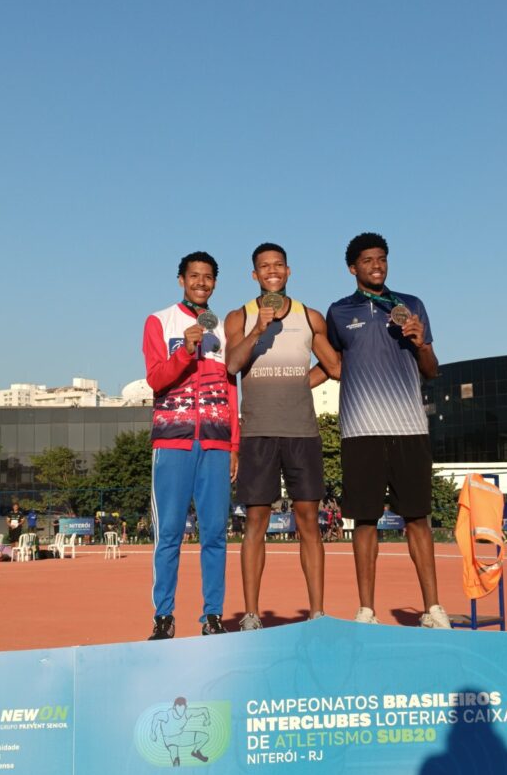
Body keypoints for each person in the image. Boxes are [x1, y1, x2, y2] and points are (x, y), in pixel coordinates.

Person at [324, 232, 451, 629]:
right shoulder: (339, 312)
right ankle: (366, 611)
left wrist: (420, 343)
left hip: (409, 427)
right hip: (360, 430)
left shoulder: (411, 306)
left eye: (382, 259)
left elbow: (430, 371)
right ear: (352, 268)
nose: (376, 265)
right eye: (367, 260)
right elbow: (333, 364)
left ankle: (433, 608)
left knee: (418, 519)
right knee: (364, 521)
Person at [224, 242, 341, 629]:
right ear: (254, 275)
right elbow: (232, 363)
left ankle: (318, 611)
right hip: (257, 433)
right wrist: (259, 328)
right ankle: (252, 614)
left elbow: (335, 367)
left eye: (278, 265)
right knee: (255, 521)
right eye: (263, 266)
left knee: (308, 519)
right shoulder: (239, 316)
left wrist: (298, 383)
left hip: (301, 434)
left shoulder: (310, 317)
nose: (271, 271)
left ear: (288, 272)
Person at [143, 250, 239, 639]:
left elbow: (232, 389)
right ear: (181, 279)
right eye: (194, 276)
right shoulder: (159, 321)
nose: (201, 282)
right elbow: (155, 379)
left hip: (216, 444)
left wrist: (235, 444)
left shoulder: (225, 330)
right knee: (169, 534)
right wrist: (184, 350)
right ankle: (163, 617)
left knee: (215, 533)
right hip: (173, 441)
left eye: (208, 277)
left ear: (215, 282)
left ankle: (212, 616)